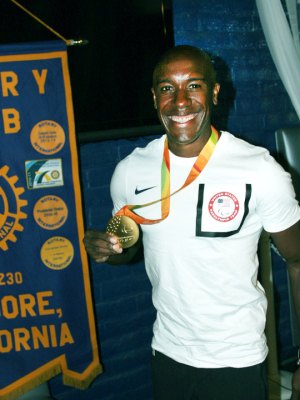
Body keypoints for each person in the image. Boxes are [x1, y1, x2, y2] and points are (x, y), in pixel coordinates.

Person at [84, 45, 300, 400]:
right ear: (155, 98)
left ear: (214, 93)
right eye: (167, 88)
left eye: (194, 85)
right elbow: (129, 246)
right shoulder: (130, 171)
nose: (180, 100)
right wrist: (108, 250)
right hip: (168, 353)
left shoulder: (259, 170)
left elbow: (297, 259)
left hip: (237, 359)